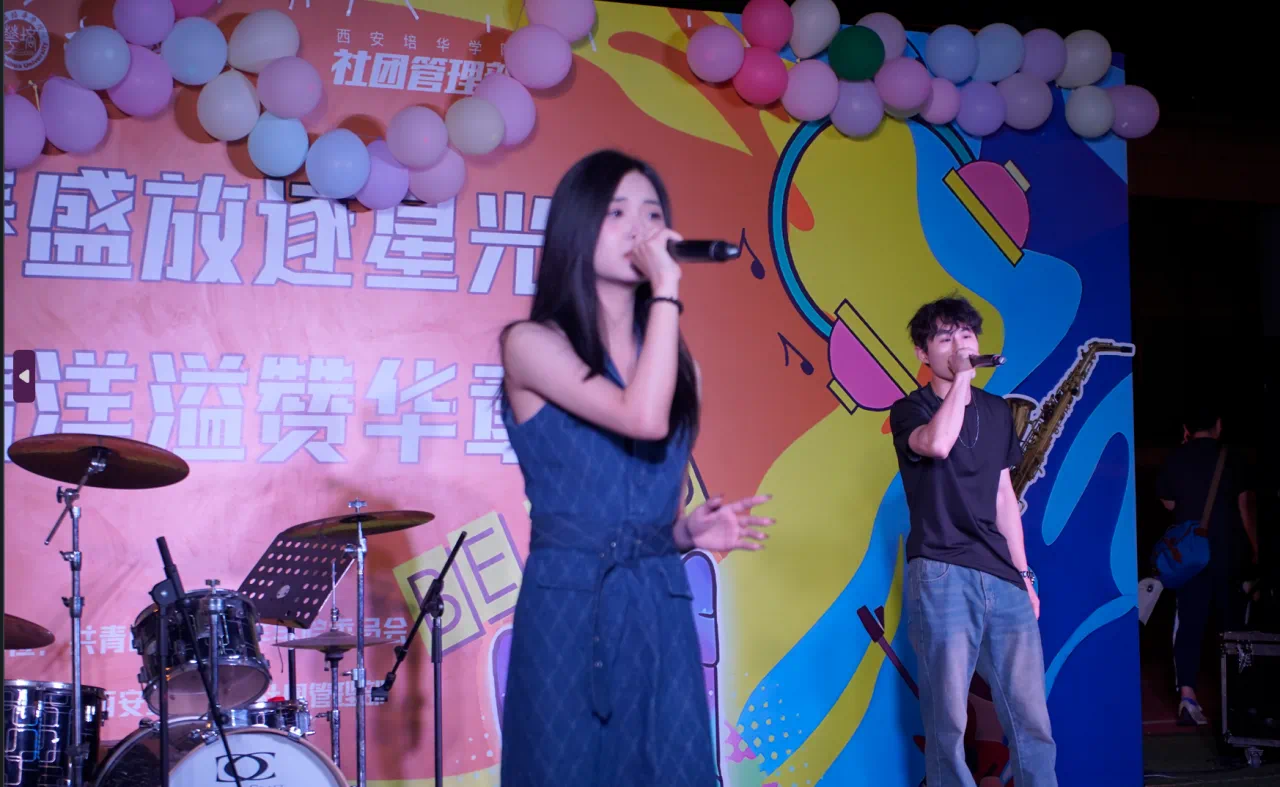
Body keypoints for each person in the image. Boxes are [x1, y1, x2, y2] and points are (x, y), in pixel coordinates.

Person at [496, 149, 774, 786]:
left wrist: (684, 533)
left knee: (668, 768)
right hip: (568, 601)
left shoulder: (676, 365)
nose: (640, 229)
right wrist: (668, 290)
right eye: (617, 212)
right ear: (577, 226)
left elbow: (642, 500)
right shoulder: (530, 344)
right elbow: (642, 418)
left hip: (658, 600)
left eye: (652, 214)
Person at [889, 296, 1056, 787]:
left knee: (1030, 718)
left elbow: (1004, 496)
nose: (960, 345)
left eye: (966, 335)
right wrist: (962, 380)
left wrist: (1024, 574)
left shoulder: (998, 411)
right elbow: (937, 445)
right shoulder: (909, 410)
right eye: (945, 337)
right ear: (923, 353)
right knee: (948, 722)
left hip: (1001, 573)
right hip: (940, 571)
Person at [1156, 401, 1258, 726]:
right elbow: (1246, 507)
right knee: (1235, 627)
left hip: (1192, 557)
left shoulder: (1176, 457)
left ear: (1186, 430)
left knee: (1189, 624)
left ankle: (1188, 697)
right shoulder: (1233, 459)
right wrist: (1255, 550)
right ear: (1219, 425)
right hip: (1229, 554)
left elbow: (1168, 503)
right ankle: (1240, 699)